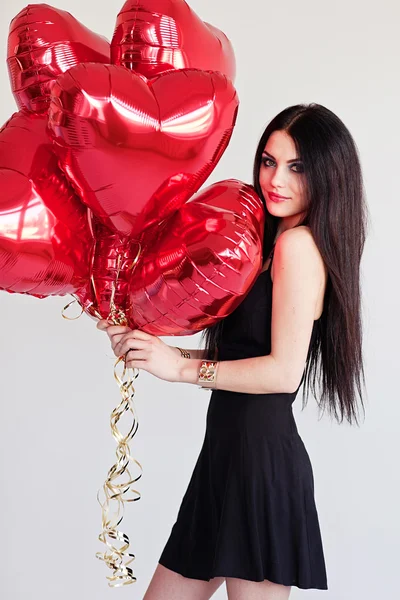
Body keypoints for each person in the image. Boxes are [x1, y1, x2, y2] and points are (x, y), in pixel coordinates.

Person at [97, 103, 369, 600]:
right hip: (225, 458)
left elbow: (283, 372)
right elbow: (247, 349)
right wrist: (154, 346)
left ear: (328, 173)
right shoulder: (271, 241)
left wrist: (178, 368)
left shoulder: (298, 248)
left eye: (296, 166)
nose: (275, 179)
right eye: (268, 161)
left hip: (259, 464)